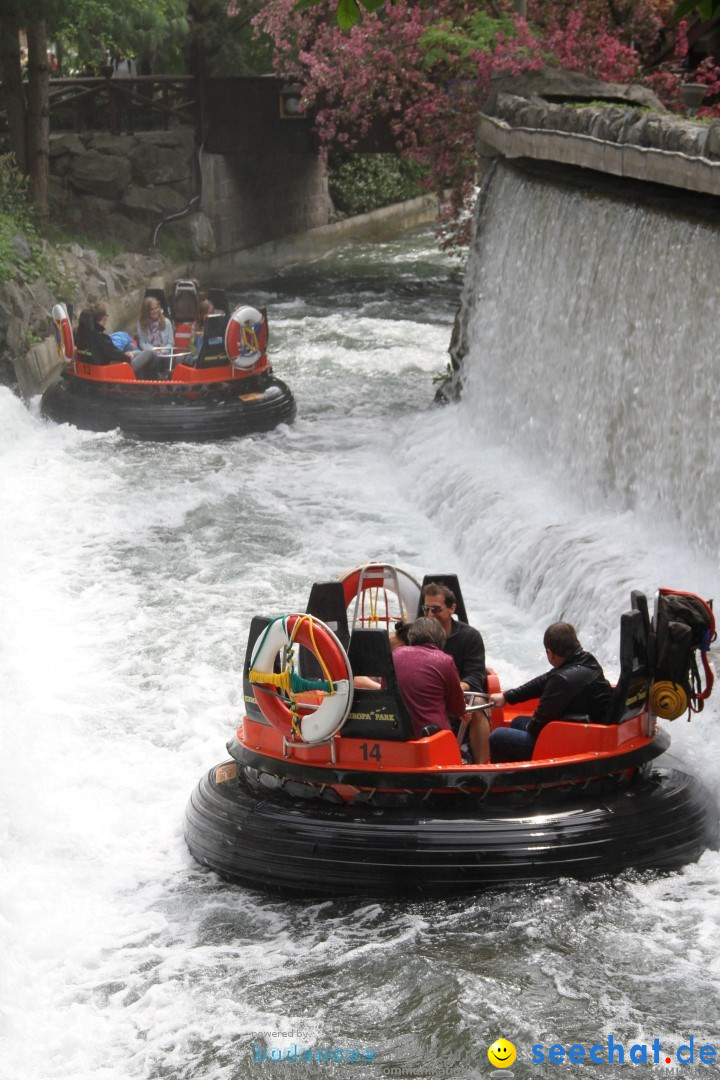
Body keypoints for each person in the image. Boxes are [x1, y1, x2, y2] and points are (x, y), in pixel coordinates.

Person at [488, 622, 613, 763]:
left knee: (497, 737)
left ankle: (506, 781)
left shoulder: (561, 680)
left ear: (550, 653)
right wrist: (507, 696)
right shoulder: (586, 660)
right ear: (576, 642)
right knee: (517, 722)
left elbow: (536, 727)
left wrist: (530, 726)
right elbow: (544, 680)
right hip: (588, 729)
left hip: (579, 741)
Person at [421, 582, 489, 762]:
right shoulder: (418, 635)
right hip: (427, 695)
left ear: (452, 608)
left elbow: (475, 677)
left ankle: (482, 767)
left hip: (459, 693)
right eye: (426, 609)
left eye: (435, 610)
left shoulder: (470, 637)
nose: (429, 615)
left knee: (478, 701)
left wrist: (450, 690)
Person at [392, 617, 469, 746]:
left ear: (411, 635)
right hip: (432, 737)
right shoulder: (445, 661)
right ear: (440, 638)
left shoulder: (394, 655)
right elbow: (455, 706)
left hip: (396, 733)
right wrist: (462, 711)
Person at [76, 303, 158, 379]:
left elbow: (112, 353)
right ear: (104, 318)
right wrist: (127, 356)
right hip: (112, 372)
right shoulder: (101, 338)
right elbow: (114, 354)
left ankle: (140, 381)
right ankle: (152, 381)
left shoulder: (82, 336)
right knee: (150, 352)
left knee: (137, 352)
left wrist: (126, 354)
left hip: (100, 367)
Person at [110, 52, 137, 135]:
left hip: (127, 87)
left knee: (129, 108)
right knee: (117, 109)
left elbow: (134, 75)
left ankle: (130, 129)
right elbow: (110, 75)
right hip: (116, 87)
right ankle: (117, 129)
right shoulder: (113, 61)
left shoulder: (129, 62)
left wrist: (134, 88)